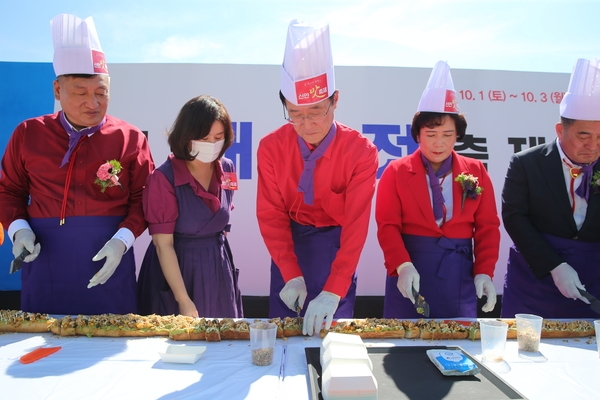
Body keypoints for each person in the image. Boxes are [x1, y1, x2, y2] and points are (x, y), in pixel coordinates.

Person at [0, 14, 154, 315]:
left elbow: (144, 200)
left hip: (108, 253)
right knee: (39, 344)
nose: (93, 104)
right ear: (58, 90)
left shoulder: (130, 138)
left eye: (101, 93)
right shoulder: (29, 133)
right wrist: (19, 231)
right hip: (44, 254)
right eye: (80, 93)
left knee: (111, 343)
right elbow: (9, 191)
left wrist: (122, 241)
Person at [257, 20, 378, 335]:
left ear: (335, 100)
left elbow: (356, 225)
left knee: (333, 339)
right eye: (295, 114)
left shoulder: (360, 151)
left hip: (336, 250)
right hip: (289, 248)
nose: (306, 124)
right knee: (284, 336)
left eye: (316, 112)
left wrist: (335, 288)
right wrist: (290, 272)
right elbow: (271, 214)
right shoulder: (271, 147)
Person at [376, 61, 500, 319]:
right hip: (410, 266)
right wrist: (402, 265)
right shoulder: (396, 171)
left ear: (457, 136)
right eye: (431, 134)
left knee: (458, 345)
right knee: (404, 344)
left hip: (458, 270)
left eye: (447, 134)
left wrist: (484, 271)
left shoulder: (475, 170)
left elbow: (488, 226)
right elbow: (387, 225)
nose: (439, 143)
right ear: (418, 135)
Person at [501, 58, 600, 318]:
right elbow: (515, 217)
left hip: (593, 279)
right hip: (536, 276)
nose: (593, 145)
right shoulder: (526, 163)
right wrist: (554, 266)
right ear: (560, 130)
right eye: (584, 135)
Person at [137, 95, 242, 318]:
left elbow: (223, 222)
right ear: (186, 137)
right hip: (178, 271)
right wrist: (183, 300)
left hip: (218, 268)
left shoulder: (228, 167)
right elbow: (162, 245)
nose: (212, 145)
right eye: (204, 138)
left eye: (218, 137)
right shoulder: (163, 178)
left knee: (223, 342)